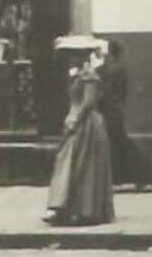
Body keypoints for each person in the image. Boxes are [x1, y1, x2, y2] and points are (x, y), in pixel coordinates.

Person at [45, 44, 115, 226]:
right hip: (75, 119)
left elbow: (89, 102)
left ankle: (84, 210)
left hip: (88, 124)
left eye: (74, 55)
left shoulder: (89, 75)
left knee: (83, 165)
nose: (71, 59)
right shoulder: (75, 74)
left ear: (83, 55)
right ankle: (64, 208)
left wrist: (76, 119)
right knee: (68, 161)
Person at [102, 38, 152, 194]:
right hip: (114, 111)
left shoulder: (113, 69)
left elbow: (109, 92)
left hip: (111, 112)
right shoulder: (115, 67)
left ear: (109, 52)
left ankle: (145, 175)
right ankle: (143, 176)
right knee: (120, 145)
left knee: (120, 145)